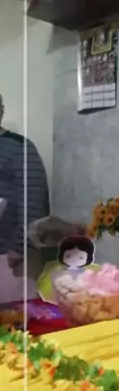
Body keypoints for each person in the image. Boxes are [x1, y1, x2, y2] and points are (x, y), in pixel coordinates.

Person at [0, 94, 50, 302]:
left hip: (9, 256)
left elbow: (34, 198)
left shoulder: (20, 147)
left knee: (12, 316)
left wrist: (20, 247)